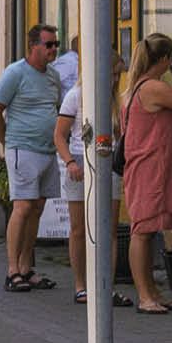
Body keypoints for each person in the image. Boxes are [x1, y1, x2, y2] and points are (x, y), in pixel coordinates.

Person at [119, 33, 172, 313]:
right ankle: (145, 296)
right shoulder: (152, 87)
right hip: (149, 168)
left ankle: (153, 292)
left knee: (147, 229)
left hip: (147, 165)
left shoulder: (136, 87)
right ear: (165, 59)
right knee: (142, 231)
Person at [0, 24, 64, 294]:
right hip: (23, 148)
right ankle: (11, 270)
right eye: (49, 45)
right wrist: (7, 141)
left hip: (47, 150)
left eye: (56, 44)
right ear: (33, 47)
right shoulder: (15, 73)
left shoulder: (53, 76)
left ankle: (27, 266)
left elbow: (55, 107)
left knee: (38, 209)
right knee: (22, 207)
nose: (54, 49)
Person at [54, 82, 134, 308]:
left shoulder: (114, 98)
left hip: (108, 161)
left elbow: (120, 136)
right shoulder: (75, 95)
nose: (116, 78)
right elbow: (59, 135)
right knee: (79, 228)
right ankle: (81, 286)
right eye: (113, 74)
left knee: (109, 229)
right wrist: (70, 162)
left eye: (119, 74)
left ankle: (106, 286)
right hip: (80, 160)